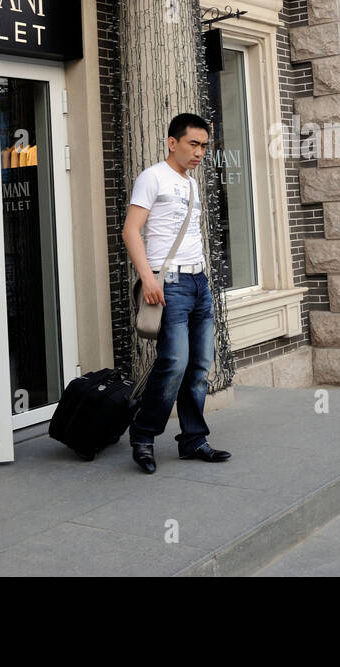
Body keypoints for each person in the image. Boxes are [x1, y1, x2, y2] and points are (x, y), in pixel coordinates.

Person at [121, 113, 230, 474]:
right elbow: (131, 230)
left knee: (199, 366)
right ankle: (143, 434)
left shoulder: (191, 183)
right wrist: (148, 278)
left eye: (204, 145)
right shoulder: (153, 177)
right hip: (169, 285)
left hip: (199, 283)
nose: (200, 152)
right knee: (174, 363)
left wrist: (204, 279)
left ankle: (193, 439)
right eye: (193, 144)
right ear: (173, 142)